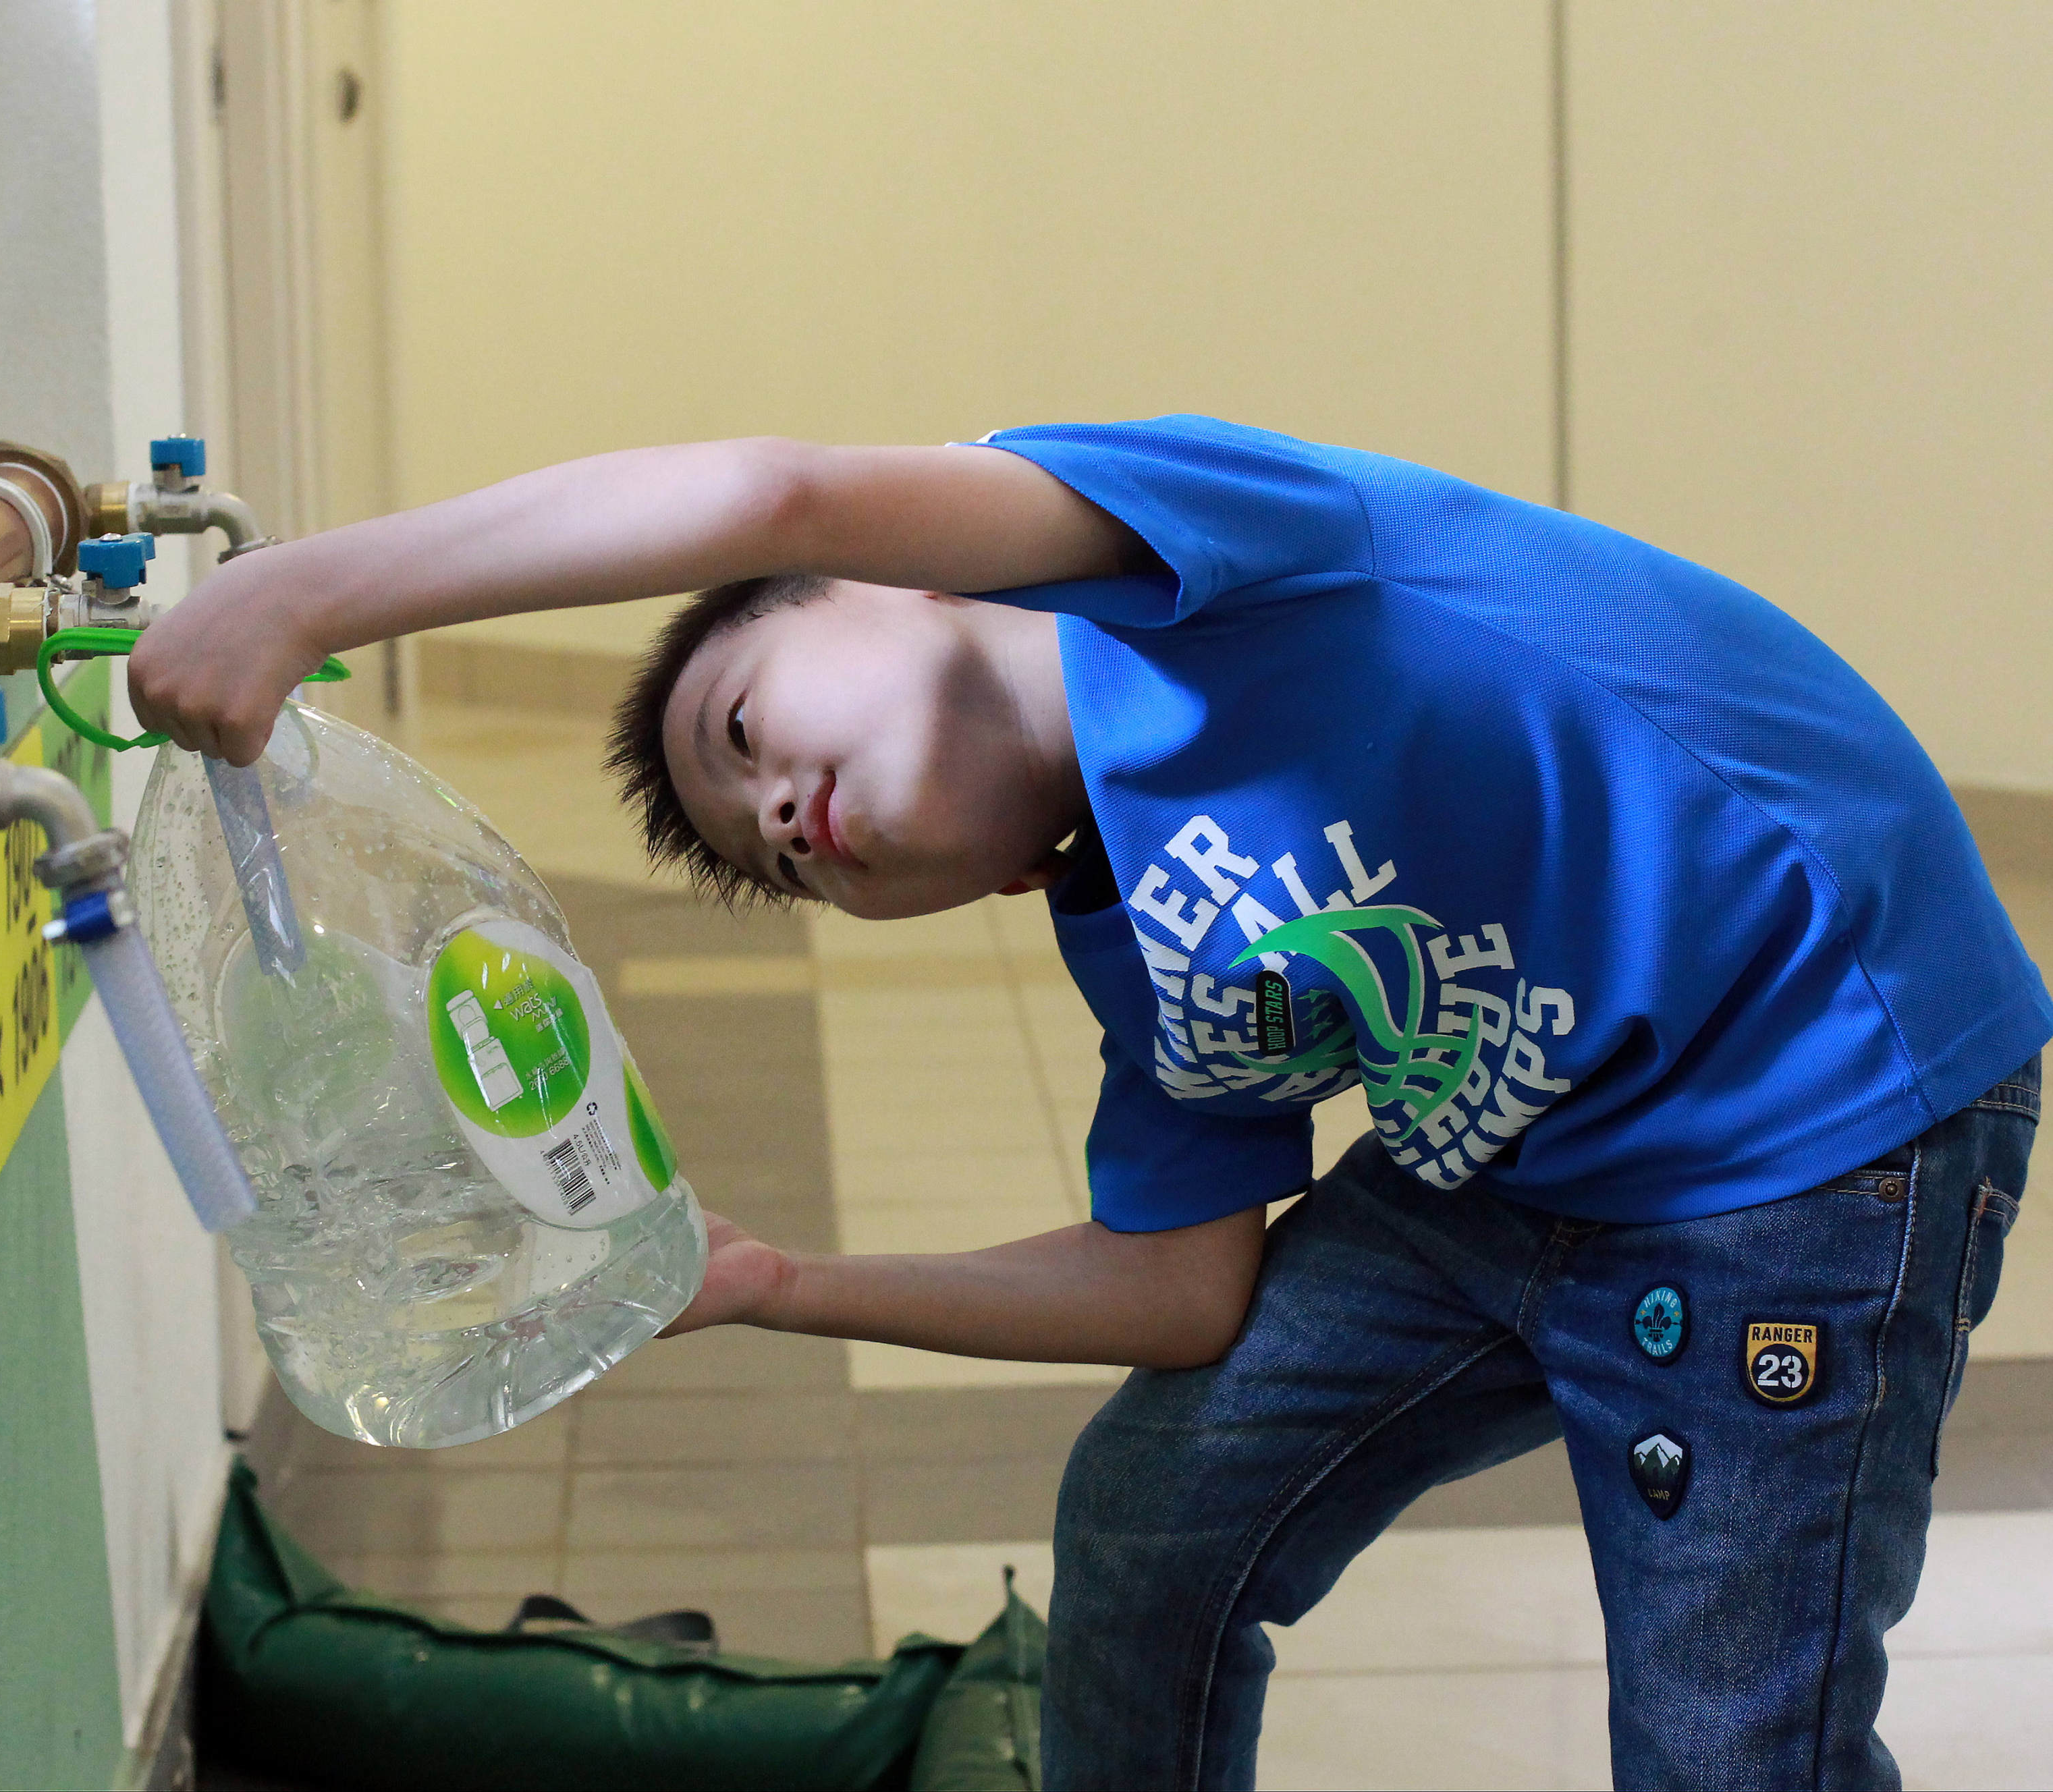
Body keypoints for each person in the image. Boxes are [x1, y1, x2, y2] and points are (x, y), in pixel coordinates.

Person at [128, 417, 2047, 1791]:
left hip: (1814, 1136)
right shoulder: (1132, 942)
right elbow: (1177, 1295)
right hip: (1523, 1170)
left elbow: (764, 484)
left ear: (900, 576)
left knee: (1727, 1731)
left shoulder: (1191, 561)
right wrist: (774, 1281)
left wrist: (314, 592)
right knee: (1155, 1513)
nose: (787, 817)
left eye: (748, 731)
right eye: (782, 863)